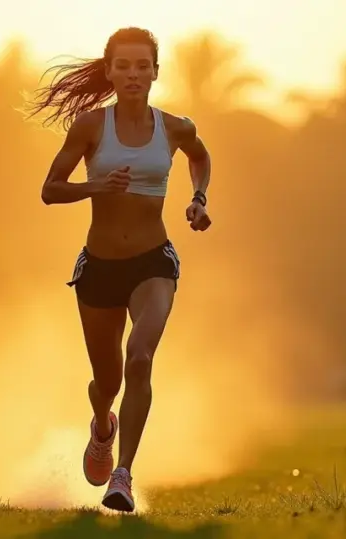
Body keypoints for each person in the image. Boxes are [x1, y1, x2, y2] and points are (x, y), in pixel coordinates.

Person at [27, 27, 212, 513]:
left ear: (156, 71)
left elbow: (199, 157)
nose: (133, 74)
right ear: (109, 71)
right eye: (123, 66)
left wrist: (198, 199)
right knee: (106, 382)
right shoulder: (90, 126)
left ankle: (124, 475)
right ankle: (102, 428)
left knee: (141, 358)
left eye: (142, 66)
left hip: (154, 262)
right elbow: (50, 189)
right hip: (100, 268)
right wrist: (97, 187)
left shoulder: (175, 127)